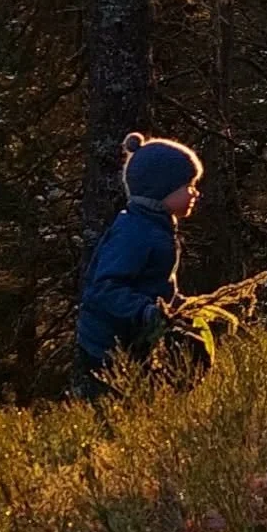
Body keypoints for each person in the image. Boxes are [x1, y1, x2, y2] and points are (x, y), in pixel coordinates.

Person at [75, 132, 204, 401]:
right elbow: (104, 290)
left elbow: (156, 284)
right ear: (161, 190)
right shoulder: (134, 232)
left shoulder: (157, 226)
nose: (195, 192)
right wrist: (146, 311)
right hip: (105, 348)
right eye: (188, 185)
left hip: (131, 340)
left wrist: (179, 305)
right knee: (113, 407)